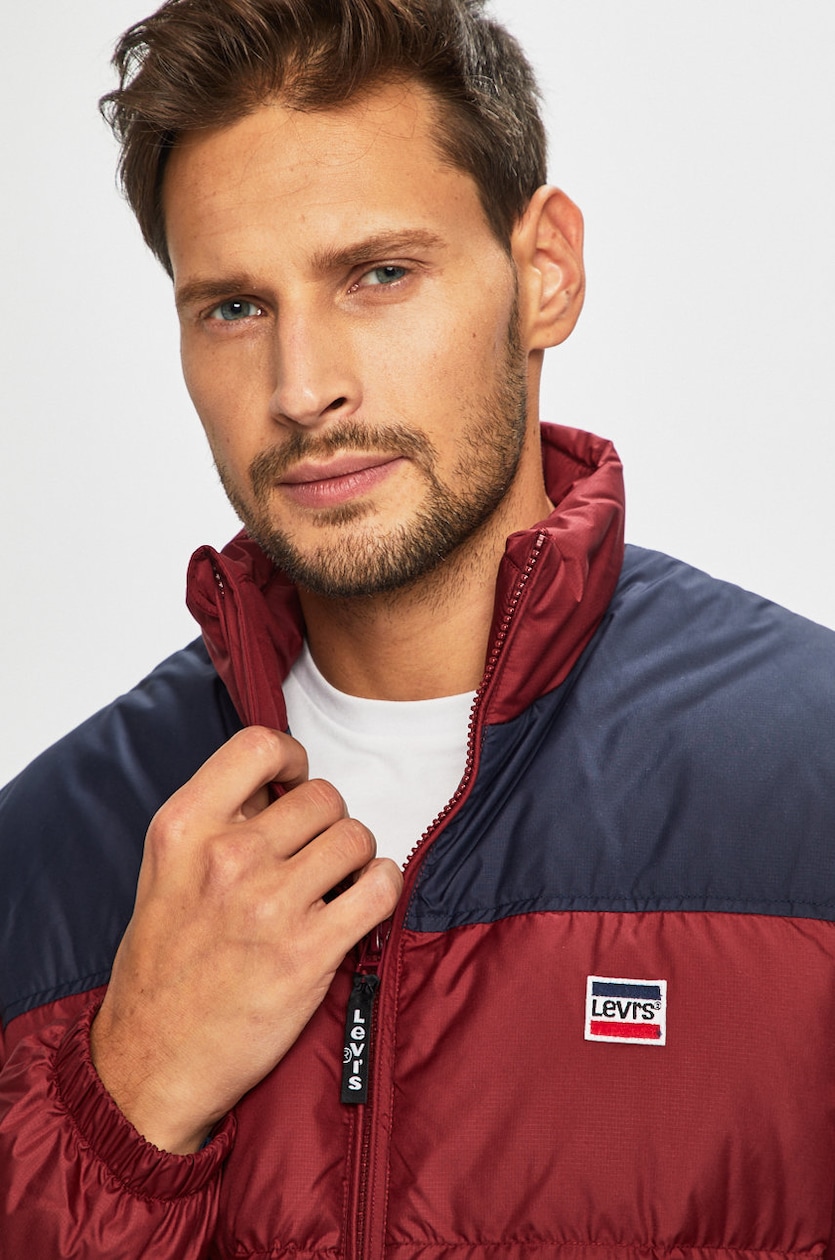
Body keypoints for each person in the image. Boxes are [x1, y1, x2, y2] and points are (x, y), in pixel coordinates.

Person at [1, 0, 833, 1255]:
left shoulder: (809, 784)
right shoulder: (42, 857)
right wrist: (125, 1098)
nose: (301, 389)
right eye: (233, 308)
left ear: (543, 271)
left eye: (378, 275)